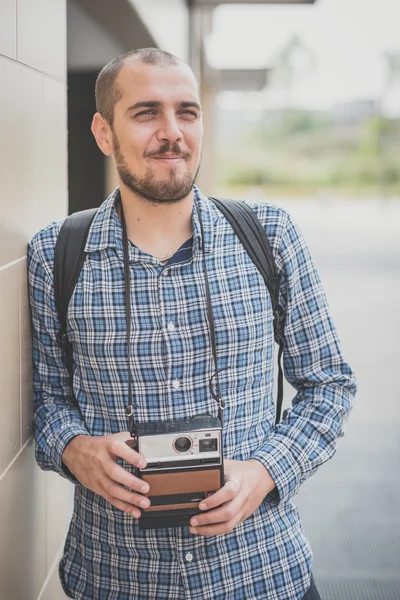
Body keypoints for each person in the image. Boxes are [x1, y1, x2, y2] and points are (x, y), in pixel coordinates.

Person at [28, 48, 356, 600]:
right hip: (115, 578)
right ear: (103, 132)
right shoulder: (55, 254)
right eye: (146, 113)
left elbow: (330, 385)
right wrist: (74, 448)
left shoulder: (269, 236)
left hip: (261, 573)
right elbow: (43, 398)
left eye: (187, 111)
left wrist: (267, 471)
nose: (172, 132)